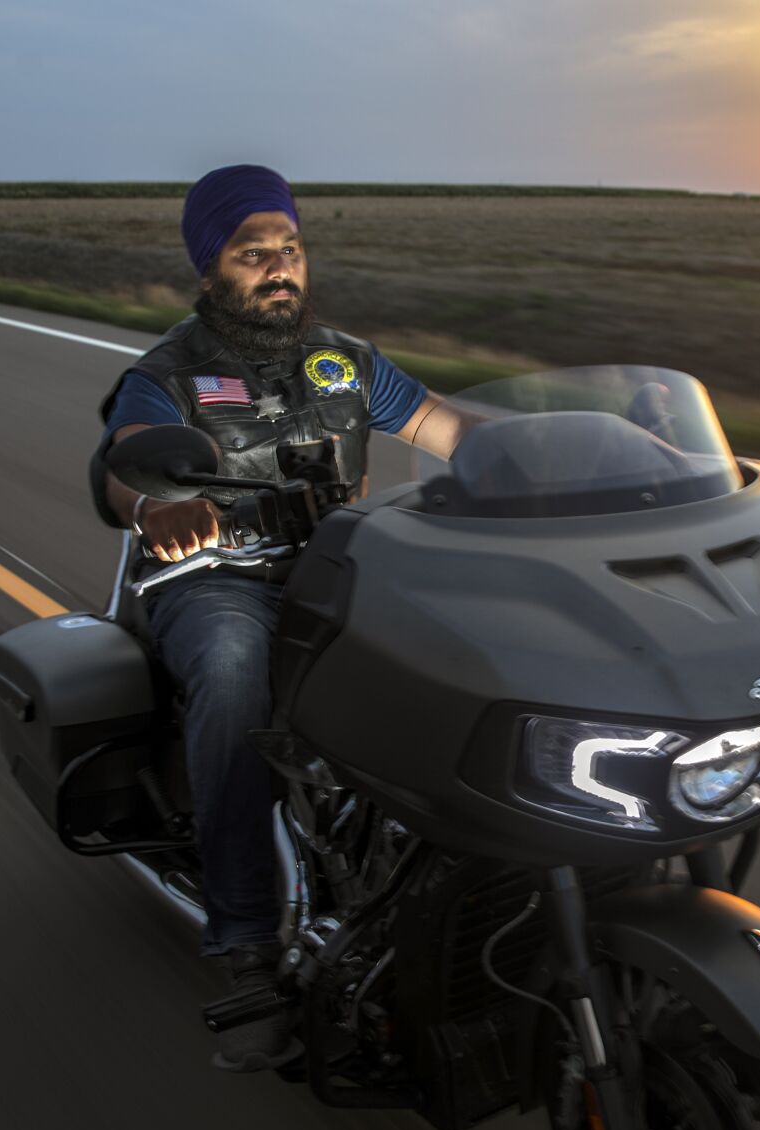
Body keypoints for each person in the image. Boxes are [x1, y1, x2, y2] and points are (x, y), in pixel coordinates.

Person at [89, 164, 474, 1071]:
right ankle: (245, 941)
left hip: (343, 570)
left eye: (290, 249)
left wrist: (581, 455)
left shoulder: (347, 360)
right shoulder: (168, 374)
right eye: (252, 252)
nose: (278, 269)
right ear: (211, 267)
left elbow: (456, 432)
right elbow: (123, 461)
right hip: (215, 579)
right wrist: (154, 507)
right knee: (232, 668)